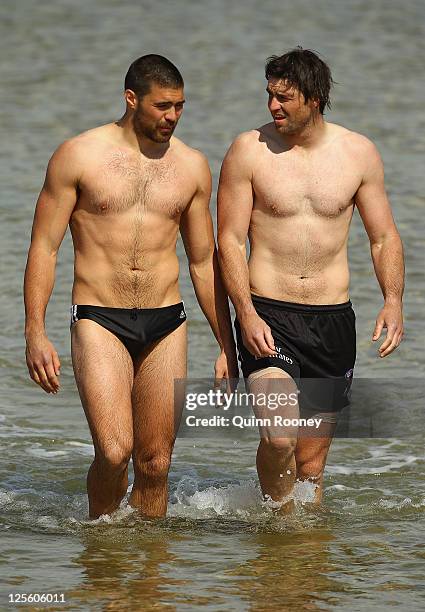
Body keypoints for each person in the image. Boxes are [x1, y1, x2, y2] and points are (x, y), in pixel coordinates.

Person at [24, 54, 238, 519]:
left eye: (180, 106)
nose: (173, 117)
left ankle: (150, 582)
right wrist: (35, 332)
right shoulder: (78, 156)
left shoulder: (192, 167)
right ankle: (102, 548)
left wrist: (228, 343)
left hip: (167, 321)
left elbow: (203, 262)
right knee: (115, 450)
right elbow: (44, 247)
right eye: (163, 106)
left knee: (157, 463)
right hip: (100, 317)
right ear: (131, 99)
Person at [217, 47, 404, 511]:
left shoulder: (358, 153)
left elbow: (383, 237)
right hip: (269, 315)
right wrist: (244, 313)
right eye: (269, 95)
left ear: (315, 98)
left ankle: (302, 567)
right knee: (280, 438)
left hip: (333, 320)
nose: (272, 107)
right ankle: (277, 526)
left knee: (311, 467)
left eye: (284, 97)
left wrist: (393, 300)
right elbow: (229, 240)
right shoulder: (249, 150)